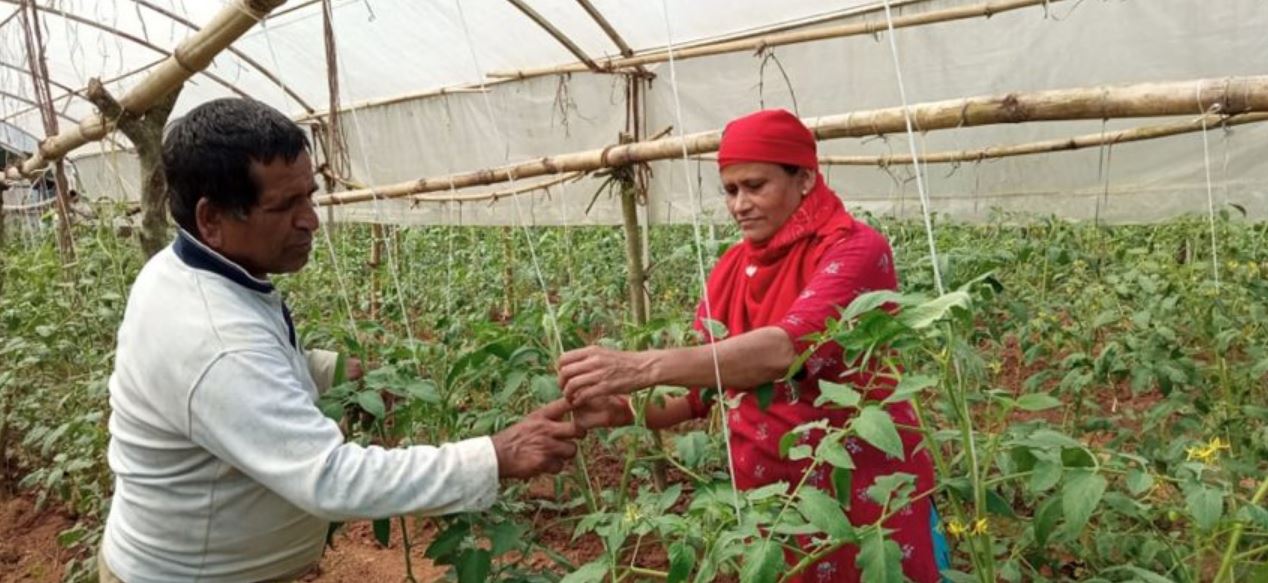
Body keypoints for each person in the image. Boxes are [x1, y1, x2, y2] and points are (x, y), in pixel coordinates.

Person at [99, 98, 582, 583]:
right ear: (212, 219)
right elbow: (330, 479)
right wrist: (495, 455)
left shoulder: (184, 269)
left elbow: (249, 369)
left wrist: (327, 371)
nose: (310, 219)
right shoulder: (215, 339)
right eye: (285, 206)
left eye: (309, 195)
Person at [561, 109, 939, 582]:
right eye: (731, 190)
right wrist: (625, 411)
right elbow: (702, 392)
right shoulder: (732, 268)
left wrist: (643, 365)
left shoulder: (855, 250)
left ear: (803, 179)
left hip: (859, 488)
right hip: (771, 503)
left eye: (755, 186)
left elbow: (786, 349)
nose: (740, 204)